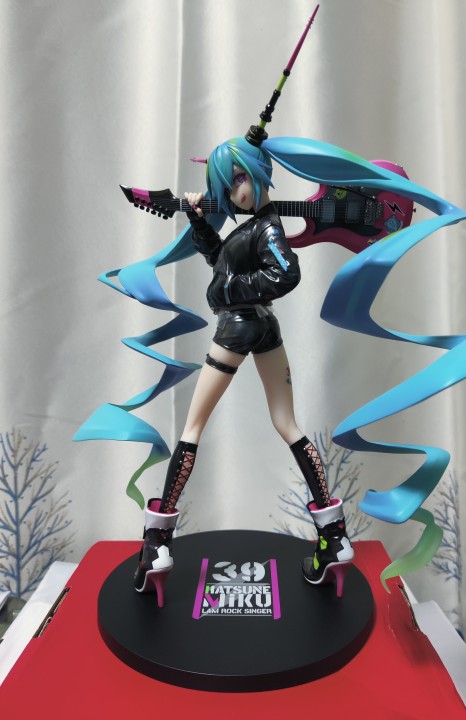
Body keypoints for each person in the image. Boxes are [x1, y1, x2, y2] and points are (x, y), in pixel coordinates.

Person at [133, 136, 354, 607]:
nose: (236, 193)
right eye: (227, 186)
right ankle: (333, 536)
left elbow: (285, 274)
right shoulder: (254, 227)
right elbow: (221, 260)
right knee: (287, 424)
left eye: (238, 179)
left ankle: (157, 544)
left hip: (238, 327)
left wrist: (231, 290)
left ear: (257, 171)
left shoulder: (268, 228)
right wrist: (198, 220)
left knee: (193, 427)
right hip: (264, 328)